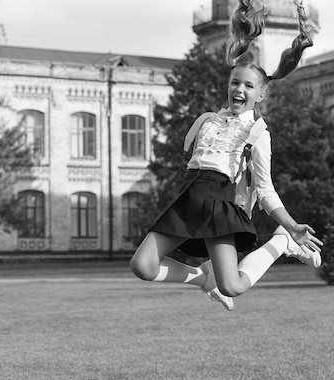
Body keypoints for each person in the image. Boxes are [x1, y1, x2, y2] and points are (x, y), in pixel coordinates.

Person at [130, 0, 322, 311]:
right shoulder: (207, 120)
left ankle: (280, 242)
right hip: (188, 198)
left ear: (260, 93)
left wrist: (290, 224)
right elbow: (192, 165)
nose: (239, 89)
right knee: (143, 265)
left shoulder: (258, 133)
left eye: (249, 85)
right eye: (235, 82)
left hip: (220, 205)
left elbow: (265, 189)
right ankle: (203, 280)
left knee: (232, 285)